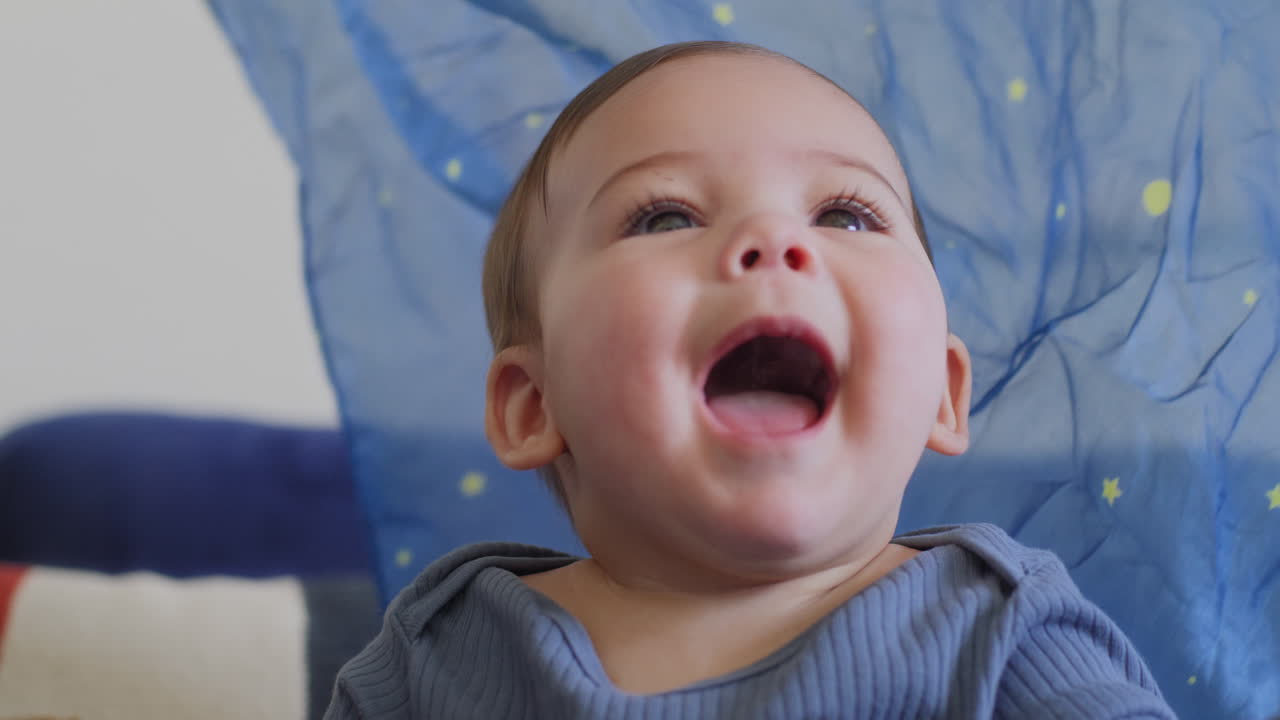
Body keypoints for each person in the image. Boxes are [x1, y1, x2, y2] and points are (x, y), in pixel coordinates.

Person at [326, 41, 1176, 718]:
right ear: (533, 404)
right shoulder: (446, 649)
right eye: (665, 215)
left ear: (944, 393)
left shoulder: (1001, 631)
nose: (774, 239)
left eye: (845, 213)